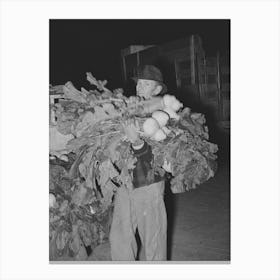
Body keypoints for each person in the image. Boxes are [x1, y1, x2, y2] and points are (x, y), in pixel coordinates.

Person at [109, 65, 169, 261]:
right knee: (119, 235)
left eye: (146, 84)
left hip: (149, 182)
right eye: (139, 83)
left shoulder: (165, 113)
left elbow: (162, 154)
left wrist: (136, 141)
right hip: (126, 181)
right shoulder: (130, 107)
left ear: (157, 89)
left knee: (153, 238)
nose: (140, 87)